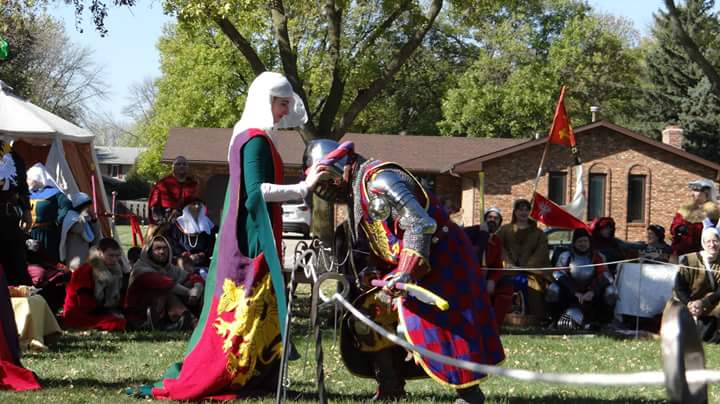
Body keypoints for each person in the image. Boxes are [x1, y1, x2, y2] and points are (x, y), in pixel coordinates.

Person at [147, 72, 326, 401]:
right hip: (250, 237)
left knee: (258, 309)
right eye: (281, 103)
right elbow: (256, 194)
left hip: (249, 232)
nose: (285, 111)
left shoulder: (248, 135)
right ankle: (236, 375)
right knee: (247, 307)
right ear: (266, 100)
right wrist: (304, 187)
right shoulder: (255, 139)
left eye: (287, 103)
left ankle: (256, 376)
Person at [305, 140, 504, 403]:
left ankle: (469, 393)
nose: (328, 190)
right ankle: (390, 384)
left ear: (339, 169)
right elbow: (384, 237)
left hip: (444, 260)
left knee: (447, 325)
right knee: (370, 315)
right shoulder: (359, 192)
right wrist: (373, 270)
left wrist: (406, 271)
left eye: (327, 180)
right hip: (408, 266)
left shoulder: (380, 180)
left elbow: (419, 223)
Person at [124, 235, 202, 331]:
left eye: (165, 248)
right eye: (158, 248)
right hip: (139, 315)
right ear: (149, 251)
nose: (162, 252)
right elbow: (166, 284)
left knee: (191, 284)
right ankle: (193, 322)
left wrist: (197, 289)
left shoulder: (168, 268)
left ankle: (205, 318)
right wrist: (189, 292)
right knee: (167, 292)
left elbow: (193, 277)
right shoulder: (140, 269)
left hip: (161, 311)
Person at [546, 228, 617, 329]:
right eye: (579, 241)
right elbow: (558, 274)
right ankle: (554, 319)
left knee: (611, 291)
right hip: (570, 294)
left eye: (585, 241)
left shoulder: (597, 257)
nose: (582, 244)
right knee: (553, 289)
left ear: (589, 242)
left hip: (592, 295)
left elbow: (605, 275)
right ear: (574, 243)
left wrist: (592, 291)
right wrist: (575, 291)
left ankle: (606, 322)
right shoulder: (566, 256)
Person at [496, 199, 551, 318]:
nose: (523, 212)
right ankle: (506, 317)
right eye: (520, 209)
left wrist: (527, 267)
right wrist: (509, 265)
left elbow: (541, 252)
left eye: (526, 209)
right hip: (508, 272)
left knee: (533, 287)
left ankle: (534, 318)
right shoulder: (505, 230)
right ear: (515, 212)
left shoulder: (539, 233)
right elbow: (498, 248)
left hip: (532, 273)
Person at [62, 238, 126, 331]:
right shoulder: (86, 270)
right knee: (117, 322)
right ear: (100, 253)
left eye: (117, 256)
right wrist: (108, 312)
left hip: (100, 310)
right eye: (111, 255)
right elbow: (85, 304)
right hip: (79, 313)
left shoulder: (116, 270)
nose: (115, 259)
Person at [670, 226, 720, 342]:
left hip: (711, 302)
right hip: (688, 301)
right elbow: (679, 287)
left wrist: (703, 302)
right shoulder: (689, 260)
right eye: (708, 241)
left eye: (715, 241)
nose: (712, 245)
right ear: (703, 243)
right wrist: (690, 304)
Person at [0, 135, 33, 286]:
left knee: (16, 268)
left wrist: (26, 210)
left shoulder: (10, 154)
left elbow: (22, 186)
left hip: (8, 217)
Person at [26, 162, 71, 263]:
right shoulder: (28, 194)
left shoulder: (54, 193)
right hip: (29, 233)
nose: (27, 182)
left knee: (47, 260)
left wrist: (57, 221)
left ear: (37, 179)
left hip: (46, 234)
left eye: (29, 179)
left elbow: (66, 206)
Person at [670, 179, 719, 258]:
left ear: (706, 193)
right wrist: (678, 227)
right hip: (681, 250)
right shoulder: (686, 208)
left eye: (696, 191)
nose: (692, 194)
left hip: (703, 252)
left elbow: (713, 231)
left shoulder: (712, 210)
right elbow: (674, 225)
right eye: (692, 190)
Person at [147, 156, 198, 225]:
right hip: (167, 219)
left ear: (187, 168)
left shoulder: (193, 184)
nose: (181, 166)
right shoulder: (163, 184)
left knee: (208, 230)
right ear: (173, 167)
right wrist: (161, 220)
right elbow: (155, 205)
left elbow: (199, 202)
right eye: (178, 164)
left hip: (191, 219)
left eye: (184, 164)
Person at [168, 198, 216, 272]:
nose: (197, 206)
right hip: (182, 265)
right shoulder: (177, 225)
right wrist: (186, 256)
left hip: (203, 264)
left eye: (199, 204)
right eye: (193, 204)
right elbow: (173, 245)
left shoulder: (208, 224)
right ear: (186, 208)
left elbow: (212, 245)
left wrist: (201, 255)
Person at [59, 192, 100, 271]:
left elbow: (96, 235)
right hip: (75, 255)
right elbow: (85, 234)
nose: (89, 208)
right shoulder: (72, 218)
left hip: (85, 254)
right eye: (86, 206)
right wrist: (84, 218)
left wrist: (94, 220)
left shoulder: (85, 218)